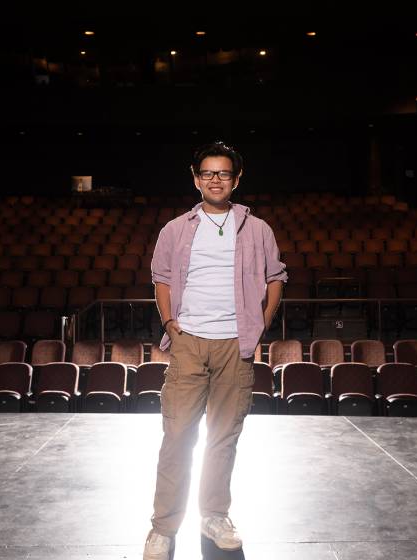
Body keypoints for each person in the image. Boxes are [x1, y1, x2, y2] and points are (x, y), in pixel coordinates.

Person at [143, 141, 287, 559]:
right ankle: (163, 528)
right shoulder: (175, 229)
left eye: (223, 173)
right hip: (188, 344)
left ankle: (214, 515)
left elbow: (276, 277)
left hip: (234, 346)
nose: (215, 180)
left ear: (236, 179)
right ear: (195, 178)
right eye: (207, 173)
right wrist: (171, 324)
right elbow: (162, 279)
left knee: (223, 439)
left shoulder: (257, 229)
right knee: (177, 437)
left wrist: (259, 323)